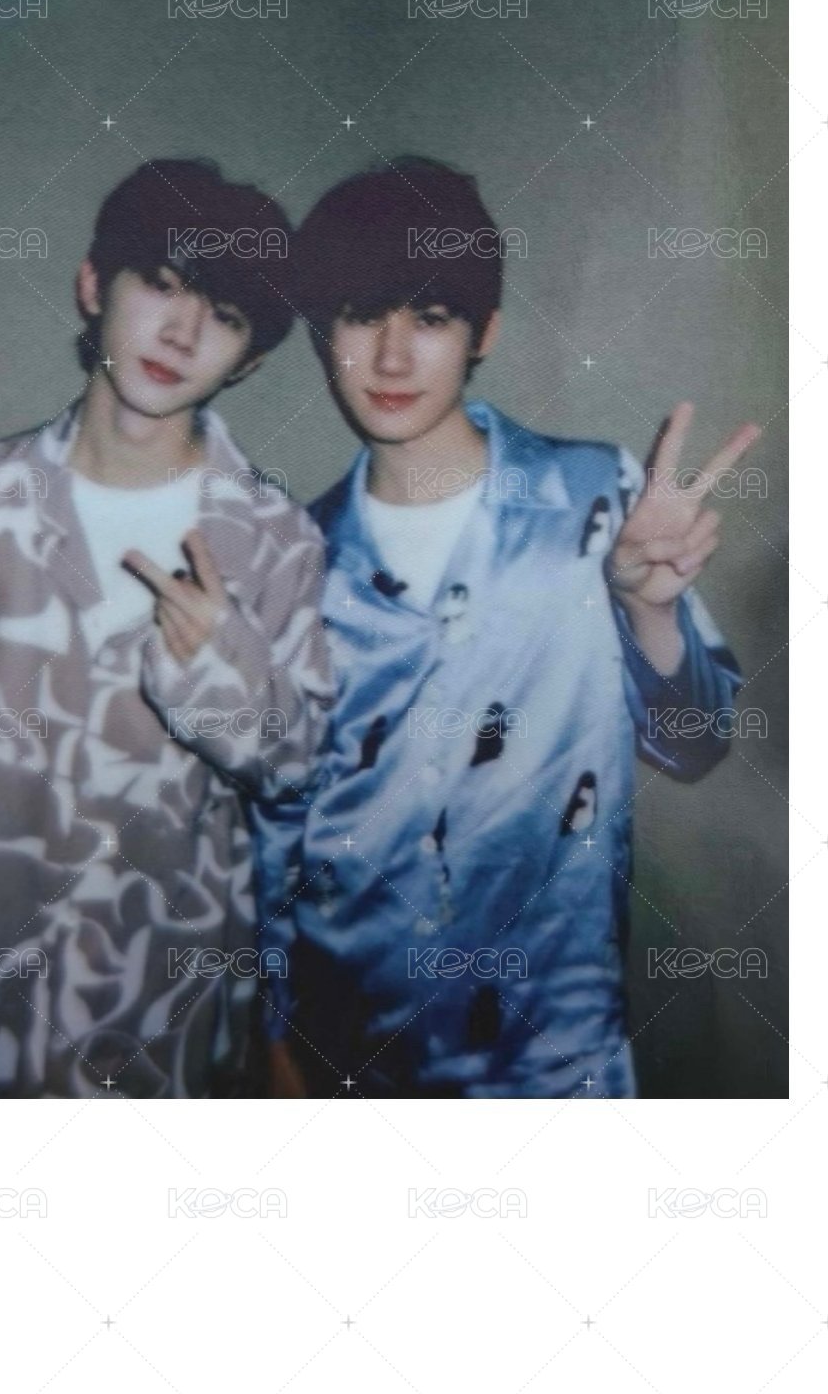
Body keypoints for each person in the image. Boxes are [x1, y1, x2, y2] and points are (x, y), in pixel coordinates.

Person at [257, 156, 760, 1099]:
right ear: (324, 331)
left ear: (482, 331)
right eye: (362, 316)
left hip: (554, 1061)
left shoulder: (594, 498)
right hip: (350, 1058)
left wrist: (646, 606)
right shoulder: (290, 561)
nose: (393, 357)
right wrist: (274, 1037)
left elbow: (695, 745)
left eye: (430, 318)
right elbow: (274, 827)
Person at [0, 158, 332, 1097]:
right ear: (96, 284)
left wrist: (222, 674)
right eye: (164, 285)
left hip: (170, 1014)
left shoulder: (275, 540)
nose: (182, 333)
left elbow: (298, 771)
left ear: (249, 359)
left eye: (224, 316)